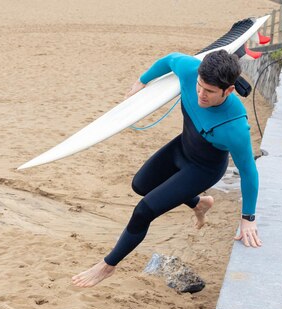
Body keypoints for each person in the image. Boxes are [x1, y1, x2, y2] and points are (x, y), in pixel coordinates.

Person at [72, 50, 262, 288]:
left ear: (229, 90)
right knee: (140, 185)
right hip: (181, 148)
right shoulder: (192, 71)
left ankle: (107, 266)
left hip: (204, 168)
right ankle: (199, 203)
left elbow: (249, 172)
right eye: (199, 86)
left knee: (143, 211)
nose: (201, 95)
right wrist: (141, 81)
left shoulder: (235, 127)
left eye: (210, 92)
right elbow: (170, 59)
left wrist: (248, 219)